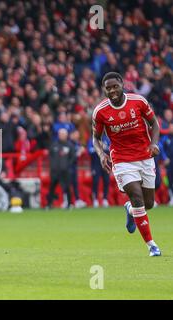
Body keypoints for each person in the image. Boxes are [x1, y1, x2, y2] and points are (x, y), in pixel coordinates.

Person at [92, 72, 161, 256]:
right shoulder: (100, 111)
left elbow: (154, 123)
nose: (112, 91)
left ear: (122, 84)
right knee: (137, 197)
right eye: (108, 88)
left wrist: (154, 143)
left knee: (148, 204)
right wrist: (101, 154)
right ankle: (151, 245)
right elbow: (96, 138)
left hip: (145, 156)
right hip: (122, 160)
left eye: (115, 86)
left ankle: (130, 209)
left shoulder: (138, 101)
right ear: (104, 90)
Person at [46, 128, 76, 209]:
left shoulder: (70, 146)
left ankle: (69, 204)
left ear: (66, 135)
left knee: (67, 188)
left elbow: (73, 157)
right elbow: (50, 156)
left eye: (63, 134)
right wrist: (52, 166)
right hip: (55, 171)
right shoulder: (54, 145)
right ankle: (49, 204)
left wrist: (67, 165)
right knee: (52, 188)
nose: (62, 136)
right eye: (60, 134)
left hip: (65, 171)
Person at [87, 136, 110, 208]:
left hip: (105, 164)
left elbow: (110, 149)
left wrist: (102, 148)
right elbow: (89, 151)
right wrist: (99, 149)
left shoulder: (106, 139)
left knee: (106, 181)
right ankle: (95, 200)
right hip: (96, 164)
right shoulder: (92, 140)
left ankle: (105, 199)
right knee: (95, 182)